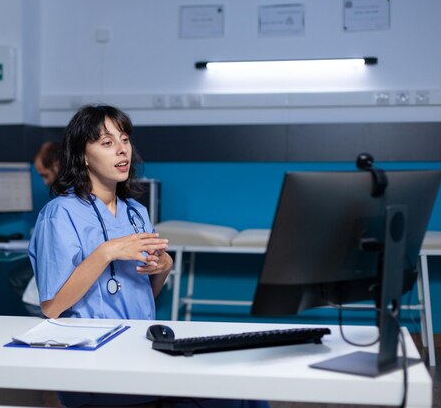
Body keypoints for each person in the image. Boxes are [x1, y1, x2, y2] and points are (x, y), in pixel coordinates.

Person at [29, 105, 269, 408]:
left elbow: (144, 294)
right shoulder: (60, 214)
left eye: (125, 139)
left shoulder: (135, 212)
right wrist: (107, 252)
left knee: (246, 389)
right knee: (233, 399)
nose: (121, 150)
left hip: (140, 350)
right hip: (93, 361)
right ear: (83, 156)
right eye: (107, 143)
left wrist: (163, 268)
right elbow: (52, 306)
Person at [8, 141, 61, 316]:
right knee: (17, 277)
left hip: (56, 290)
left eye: (46, 175)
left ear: (57, 165)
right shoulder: (58, 207)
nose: (46, 182)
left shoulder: (62, 207)